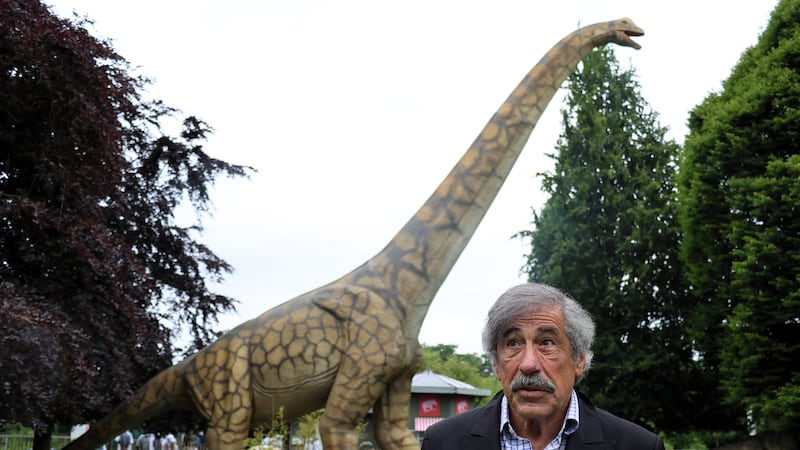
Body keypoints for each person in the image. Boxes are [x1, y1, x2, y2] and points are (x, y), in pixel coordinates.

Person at [421, 283, 664, 450]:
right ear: (496, 364)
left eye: (547, 342)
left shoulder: (637, 445)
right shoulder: (443, 442)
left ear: (578, 359)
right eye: (513, 343)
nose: (528, 364)